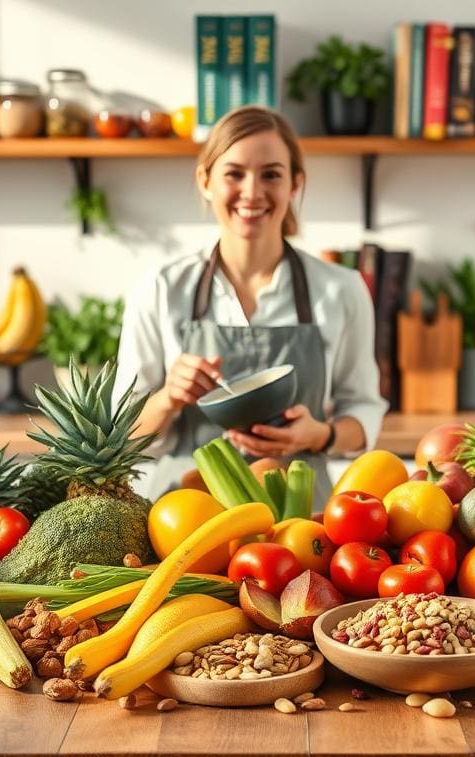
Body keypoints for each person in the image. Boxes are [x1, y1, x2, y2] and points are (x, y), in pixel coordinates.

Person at [114, 105, 387, 505]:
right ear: (205, 180)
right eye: (234, 173)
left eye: (271, 174)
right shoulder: (160, 289)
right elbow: (119, 440)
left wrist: (322, 434)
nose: (253, 192)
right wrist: (168, 398)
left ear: (295, 184)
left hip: (300, 518)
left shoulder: (341, 289)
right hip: (187, 515)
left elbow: (363, 410)